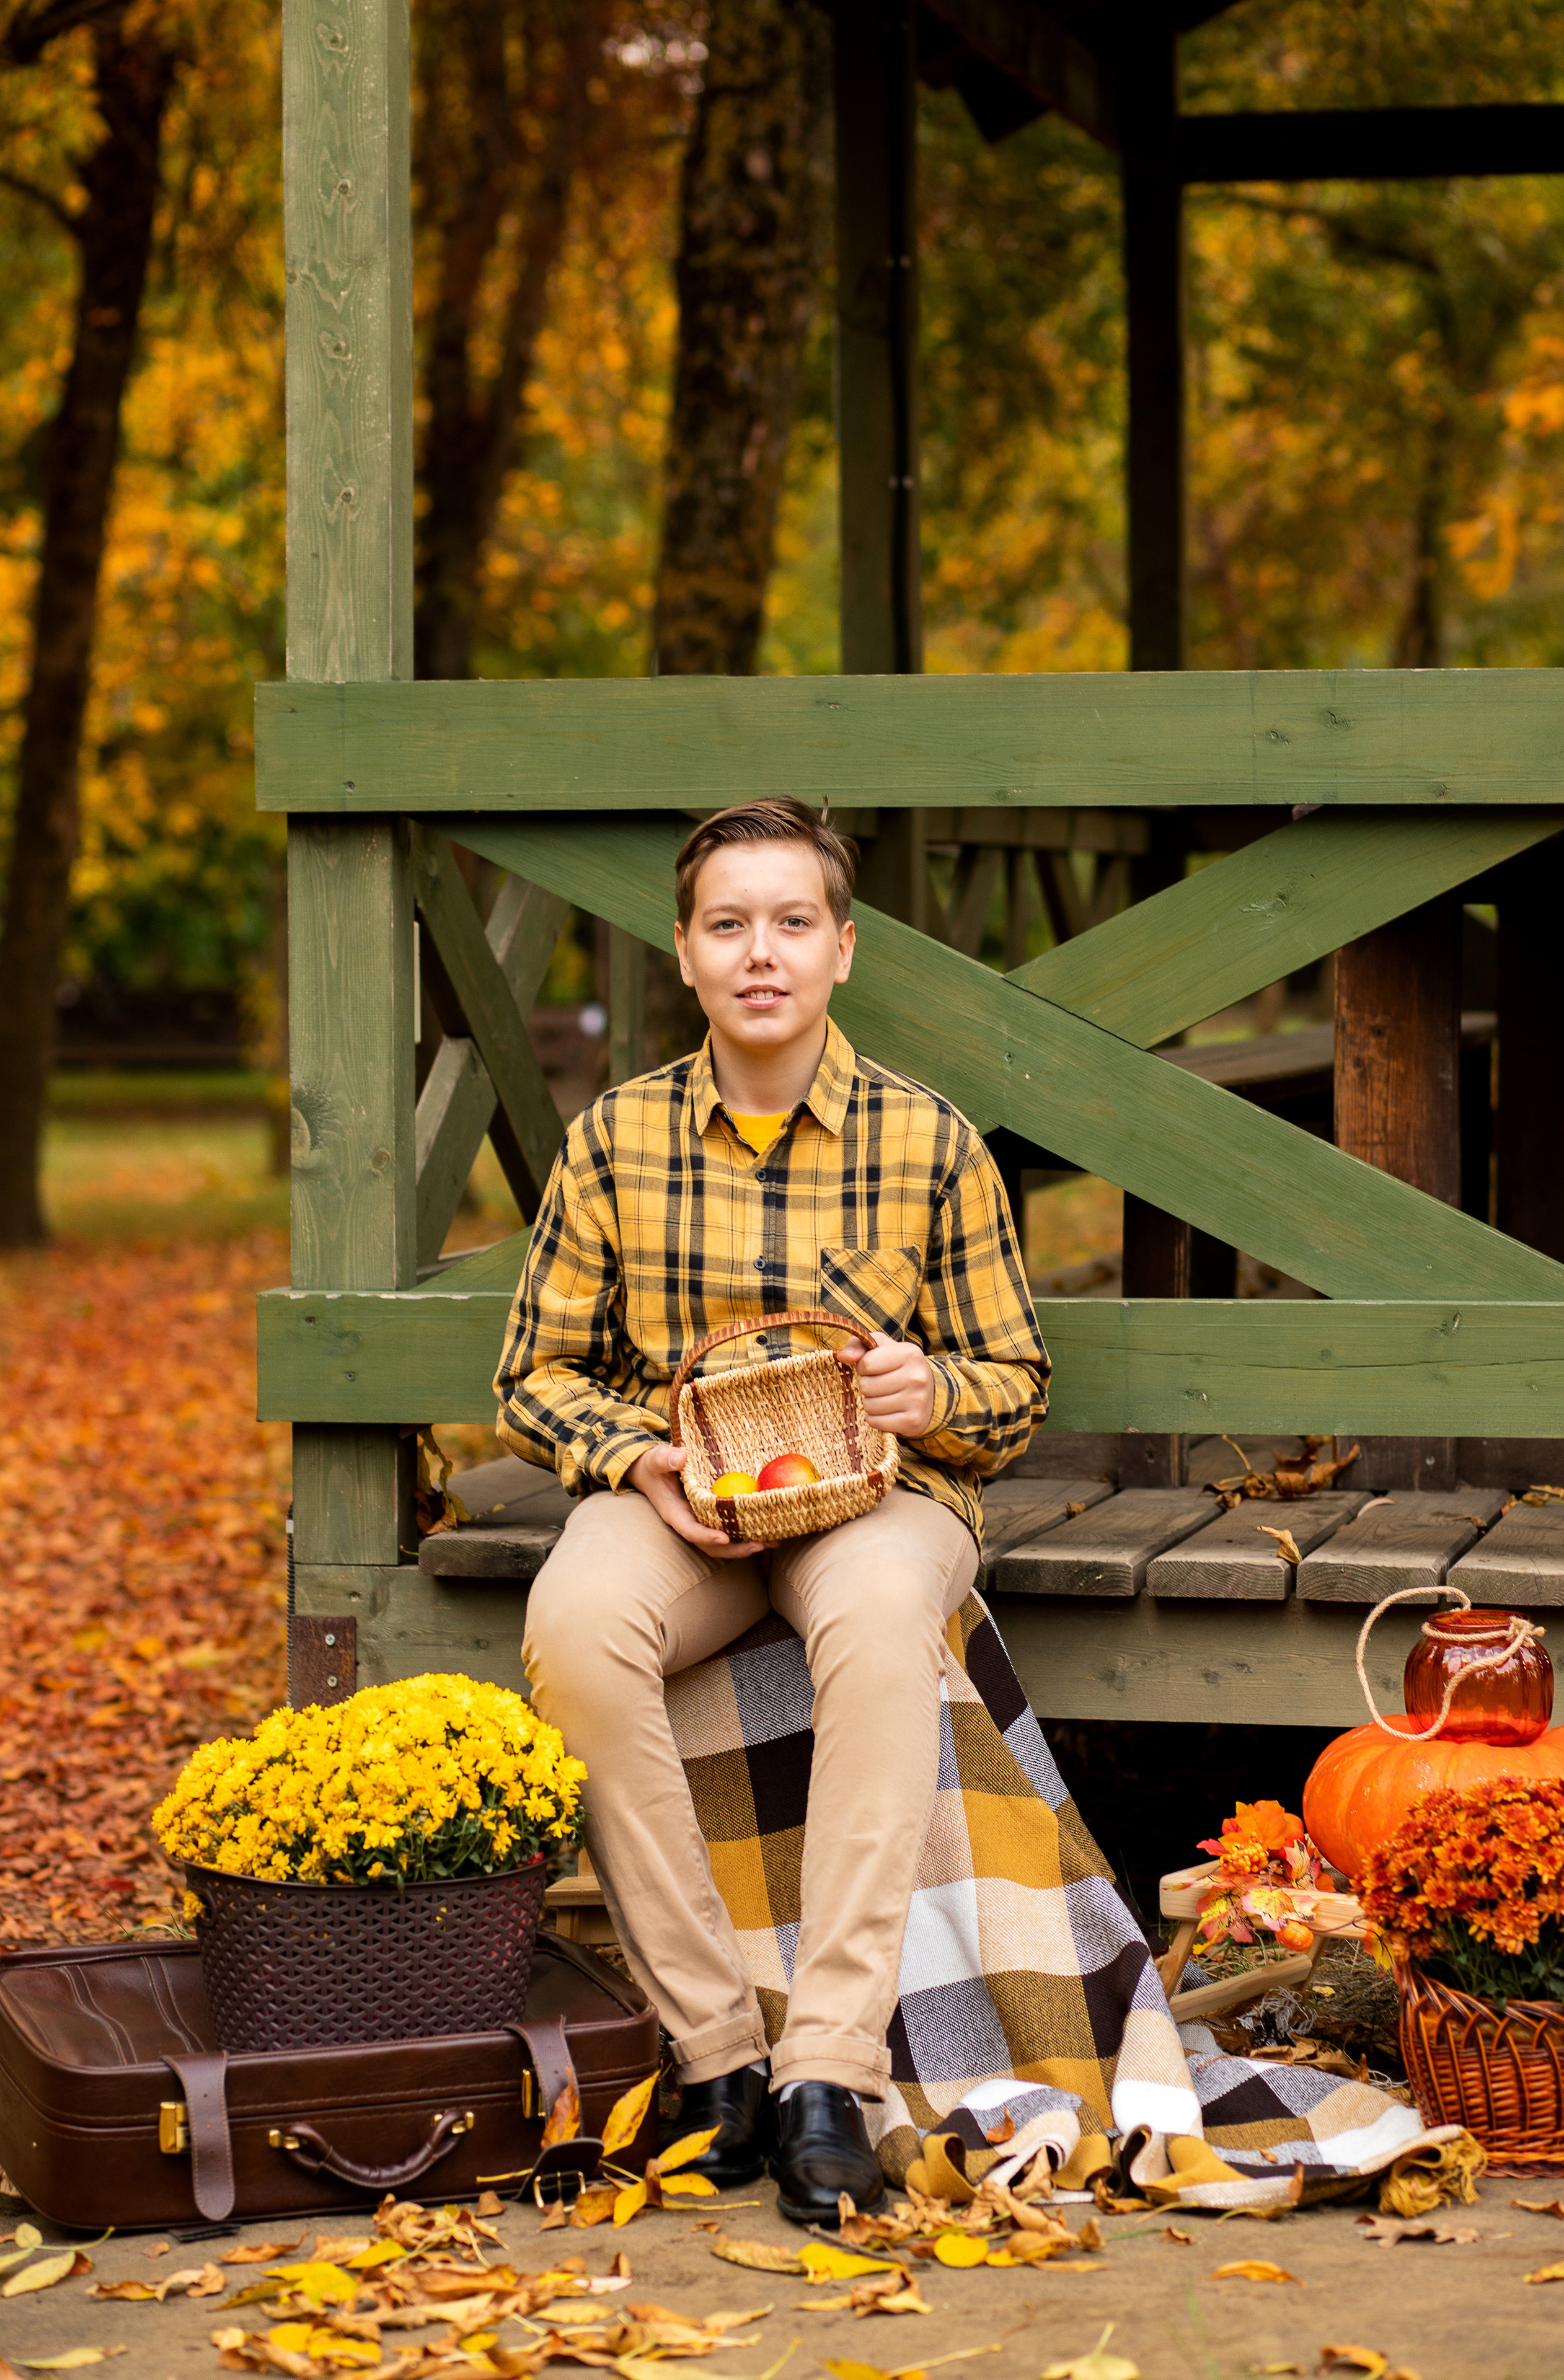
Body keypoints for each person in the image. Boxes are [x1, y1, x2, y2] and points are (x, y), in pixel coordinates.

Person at [495, 797, 1049, 2224]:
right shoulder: (614, 1139)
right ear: (682, 954)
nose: (761, 953)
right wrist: (636, 1459)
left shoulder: (928, 1146)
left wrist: (937, 1394)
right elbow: (530, 1370)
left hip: (883, 1503)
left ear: (842, 950)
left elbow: (1015, 1381)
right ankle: (715, 2053)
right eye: (728, 925)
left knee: (875, 1622)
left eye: (791, 922)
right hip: (690, 1508)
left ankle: (827, 2065)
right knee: (572, 1623)